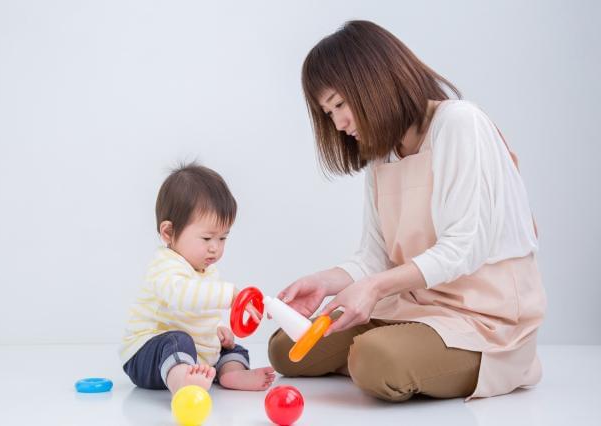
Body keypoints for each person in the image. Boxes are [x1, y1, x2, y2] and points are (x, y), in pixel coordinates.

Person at [268, 20, 546, 402]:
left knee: (374, 361)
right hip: (413, 305)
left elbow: (465, 247)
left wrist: (373, 289)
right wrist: (326, 282)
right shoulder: (382, 154)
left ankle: (470, 362)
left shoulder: (460, 124)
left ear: (373, 81)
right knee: (286, 348)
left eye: (340, 105)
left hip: (482, 318)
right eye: (328, 113)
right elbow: (374, 258)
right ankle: (401, 350)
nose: (339, 124)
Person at [121, 163, 275, 395]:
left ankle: (231, 373)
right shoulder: (165, 265)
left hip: (192, 354)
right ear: (168, 233)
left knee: (233, 348)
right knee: (176, 341)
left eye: (223, 238)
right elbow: (182, 297)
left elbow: (198, 312)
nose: (216, 248)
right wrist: (230, 295)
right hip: (146, 354)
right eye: (206, 238)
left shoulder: (206, 270)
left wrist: (217, 329)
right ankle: (180, 382)